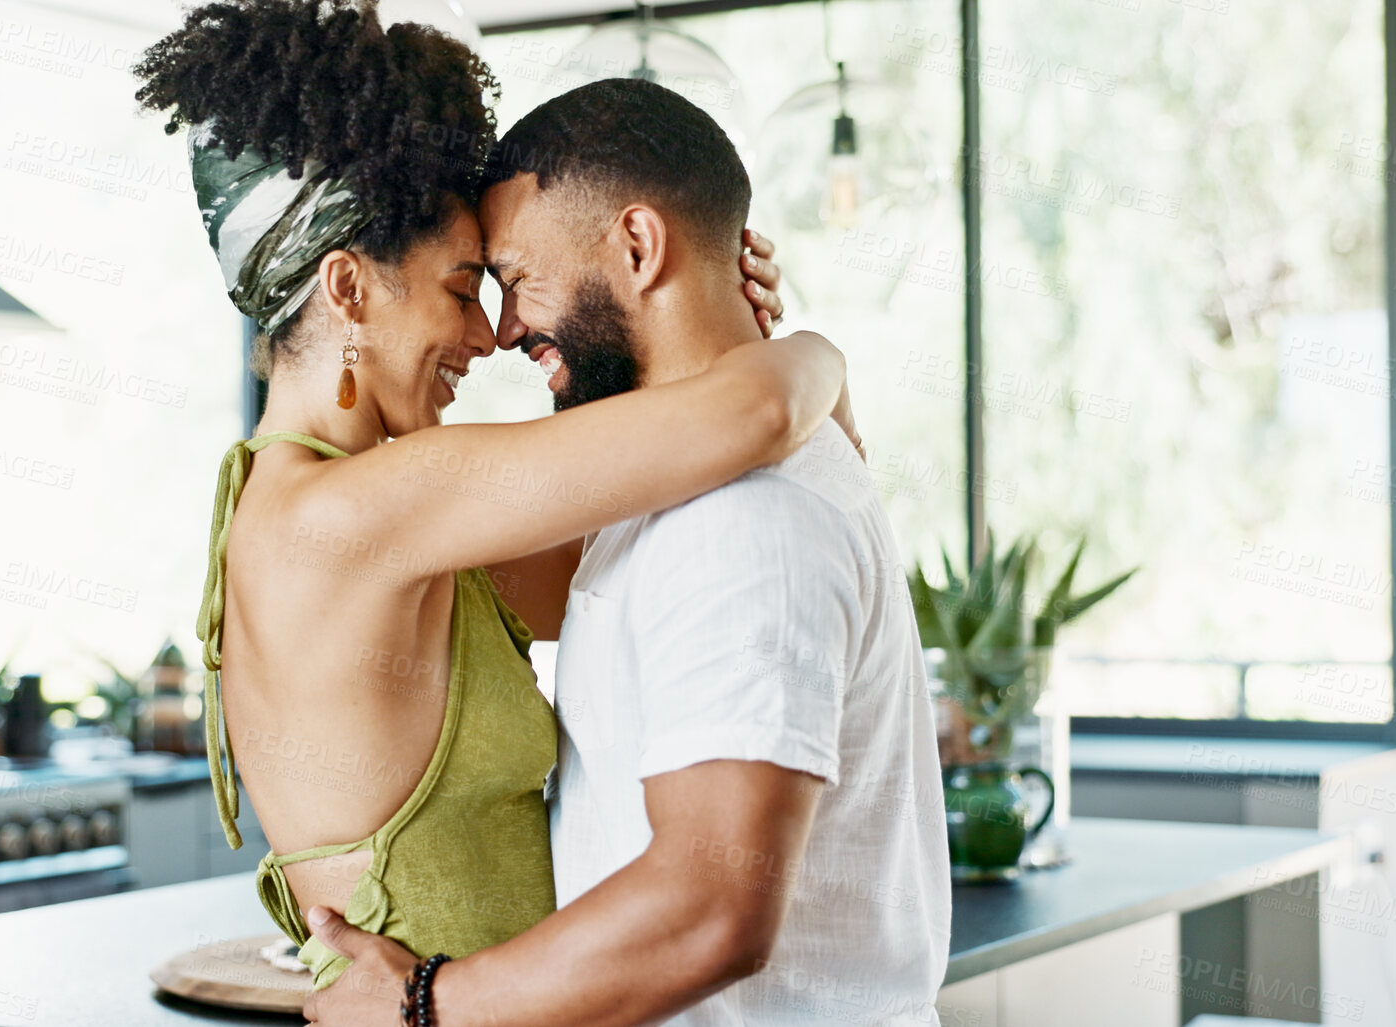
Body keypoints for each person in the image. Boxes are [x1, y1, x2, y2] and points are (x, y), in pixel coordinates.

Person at [134, 0, 859, 991]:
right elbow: (759, 417)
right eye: (459, 285)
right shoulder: (357, 513)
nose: (484, 337)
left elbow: (651, 541)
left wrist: (712, 321)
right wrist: (814, 349)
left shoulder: (358, 514)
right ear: (347, 290)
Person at [304, 79, 952, 1027]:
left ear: (639, 248)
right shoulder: (667, 490)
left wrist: (418, 1007)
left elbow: (710, 908)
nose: (506, 332)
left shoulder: (742, 518)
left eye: (517, 279)